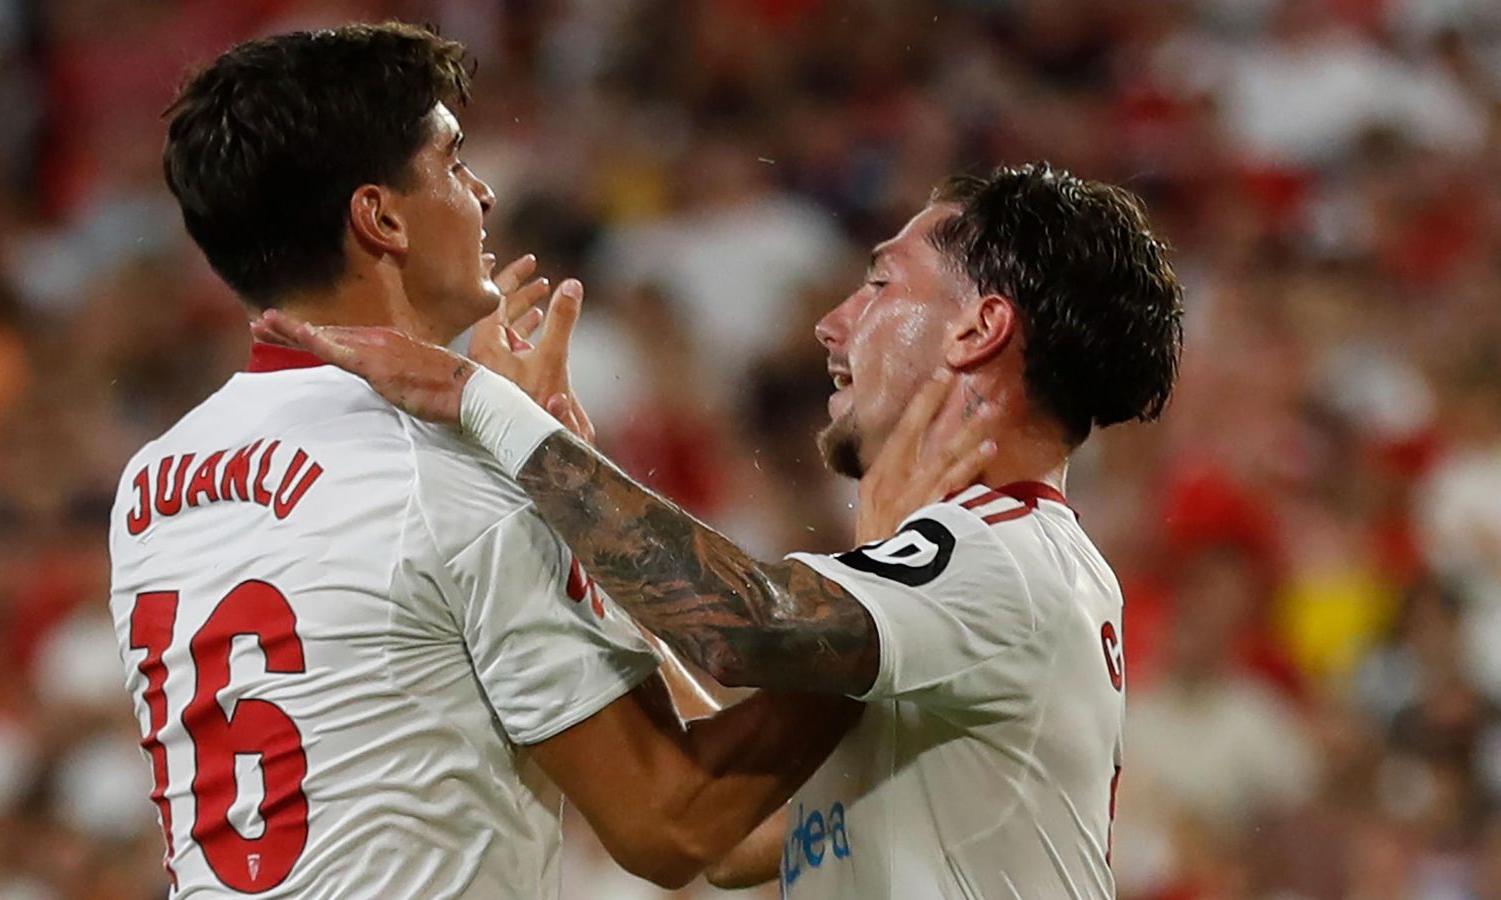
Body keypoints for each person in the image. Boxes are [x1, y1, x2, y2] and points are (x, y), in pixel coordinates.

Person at [108, 23, 922, 898]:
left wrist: (563, 497)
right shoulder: (443, 470)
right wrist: (897, 620)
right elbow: (675, 822)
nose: (484, 193)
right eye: (454, 163)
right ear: (380, 217)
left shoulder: (152, 482)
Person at [255, 162, 1187, 898]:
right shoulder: (967, 588)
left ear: (978, 329)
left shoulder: (1003, 554)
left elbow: (745, 630)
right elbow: (729, 834)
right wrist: (558, 492)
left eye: (877, 283)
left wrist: (486, 408)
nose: (832, 323)